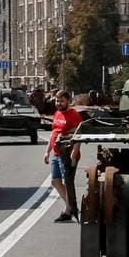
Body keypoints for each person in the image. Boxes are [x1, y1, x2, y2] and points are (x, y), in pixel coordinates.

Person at [46, 90, 84, 222]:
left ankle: (68, 211)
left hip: (67, 154)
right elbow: (53, 133)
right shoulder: (57, 113)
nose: (59, 103)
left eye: (61, 101)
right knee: (55, 181)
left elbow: (78, 136)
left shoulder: (74, 115)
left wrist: (74, 154)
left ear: (68, 101)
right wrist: (47, 151)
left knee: (68, 182)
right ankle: (71, 205)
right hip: (56, 154)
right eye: (57, 101)